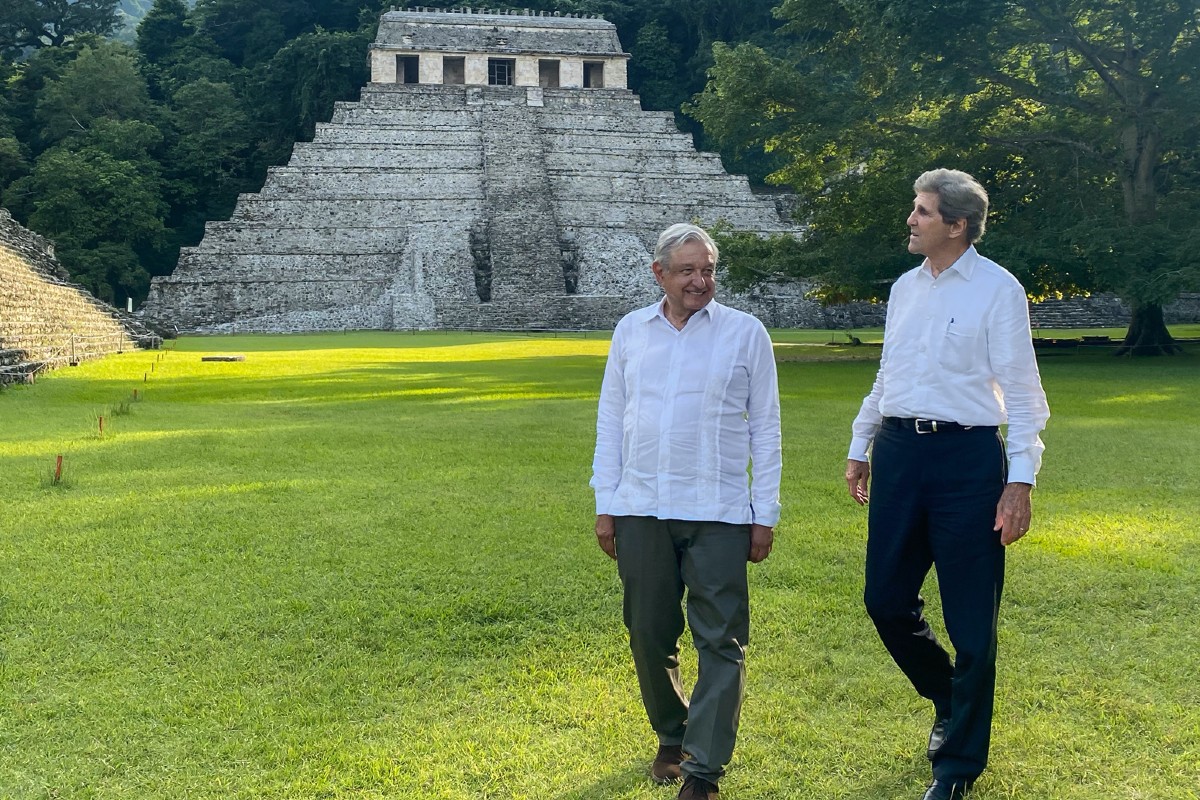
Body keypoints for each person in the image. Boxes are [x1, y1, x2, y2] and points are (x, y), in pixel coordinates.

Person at [845, 169, 1050, 800]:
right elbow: (888, 373)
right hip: (901, 454)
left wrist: (1019, 484)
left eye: (923, 212)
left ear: (956, 225)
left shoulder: (998, 290)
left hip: (968, 464)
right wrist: (862, 444)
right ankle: (950, 696)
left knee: (972, 626)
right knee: (884, 599)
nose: (910, 220)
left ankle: (957, 766)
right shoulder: (905, 288)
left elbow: (1023, 396)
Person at [591, 223, 782, 800]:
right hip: (641, 506)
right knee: (648, 632)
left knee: (721, 639)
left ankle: (702, 771)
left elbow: (767, 428)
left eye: (708, 270)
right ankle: (672, 735)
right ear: (660, 274)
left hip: (719, 509)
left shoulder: (745, 334)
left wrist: (764, 512)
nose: (701, 281)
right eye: (688, 271)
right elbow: (611, 421)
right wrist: (606, 504)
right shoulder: (631, 332)